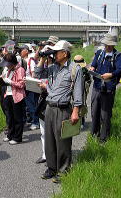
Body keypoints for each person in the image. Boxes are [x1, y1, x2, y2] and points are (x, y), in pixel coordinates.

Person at [35, 40, 83, 183]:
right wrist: (43, 57)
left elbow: (78, 92)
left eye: (57, 52)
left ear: (65, 53)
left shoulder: (75, 69)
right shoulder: (53, 68)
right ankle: (51, 168)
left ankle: (63, 170)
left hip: (63, 109)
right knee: (49, 140)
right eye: (54, 52)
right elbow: (38, 72)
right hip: (49, 107)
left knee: (62, 141)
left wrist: (75, 111)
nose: (54, 54)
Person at [89, 33, 121, 143]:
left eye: (109, 44)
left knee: (105, 114)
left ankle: (104, 139)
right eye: (106, 44)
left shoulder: (118, 56)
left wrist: (111, 75)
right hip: (97, 87)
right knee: (94, 112)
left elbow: (119, 69)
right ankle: (94, 134)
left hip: (108, 89)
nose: (107, 46)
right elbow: (93, 64)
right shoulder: (99, 53)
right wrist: (92, 68)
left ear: (113, 45)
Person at [34, 35, 59, 164]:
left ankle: (56, 155)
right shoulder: (45, 65)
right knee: (43, 131)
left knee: (55, 132)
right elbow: (36, 74)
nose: (49, 47)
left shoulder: (59, 64)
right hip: (43, 100)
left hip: (56, 102)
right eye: (48, 44)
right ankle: (45, 154)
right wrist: (43, 58)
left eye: (52, 45)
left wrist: (54, 55)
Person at [0, 53, 26, 144]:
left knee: (17, 117)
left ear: (12, 63)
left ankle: (17, 137)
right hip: (7, 94)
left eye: (7, 63)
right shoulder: (8, 70)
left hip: (17, 96)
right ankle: (10, 135)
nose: (6, 66)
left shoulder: (20, 70)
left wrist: (11, 82)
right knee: (9, 116)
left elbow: (21, 84)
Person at [19, 44, 39, 130]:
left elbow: (34, 74)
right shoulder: (21, 61)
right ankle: (30, 120)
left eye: (21, 50)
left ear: (26, 51)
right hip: (24, 85)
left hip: (30, 85)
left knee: (31, 104)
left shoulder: (31, 60)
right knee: (26, 105)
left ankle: (36, 122)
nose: (20, 52)